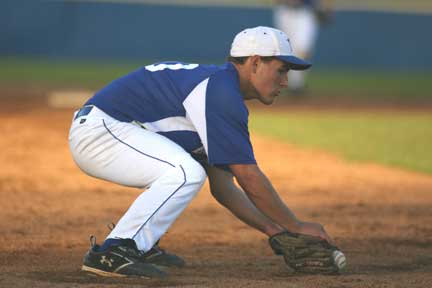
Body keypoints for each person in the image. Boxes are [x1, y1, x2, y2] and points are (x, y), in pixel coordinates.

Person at [68, 26, 335, 278]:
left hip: (111, 129)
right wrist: (296, 226)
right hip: (101, 132)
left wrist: (275, 231)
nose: (286, 81)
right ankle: (116, 250)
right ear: (255, 63)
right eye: (281, 70)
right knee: (185, 172)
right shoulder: (221, 94)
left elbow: (223, 187)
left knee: (186, 170)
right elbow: (249, 177)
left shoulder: (220, 90)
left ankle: (138, 244)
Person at [273, 0, 332, 94]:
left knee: (304, 49)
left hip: (306, 12)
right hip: (285, 12)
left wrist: (326, 8)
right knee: (288, 49)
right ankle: (294, 85)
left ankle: (296, 84)